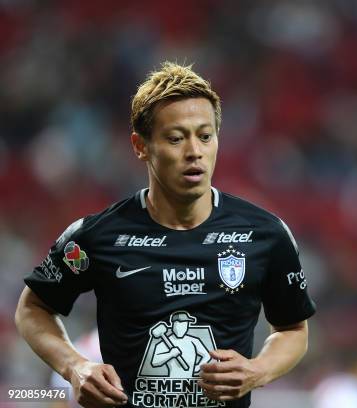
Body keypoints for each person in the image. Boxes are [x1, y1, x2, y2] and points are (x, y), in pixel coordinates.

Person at [15, 62, 316, 408]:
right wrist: (75, 366)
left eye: (205, 136)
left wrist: (258, 370)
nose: (194, 151)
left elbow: (293, 330)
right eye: (176, 138)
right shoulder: (97, 236)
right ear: (141, 146)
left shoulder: (266, 234)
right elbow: (32, 308)